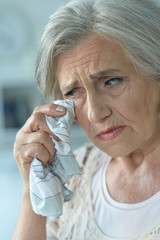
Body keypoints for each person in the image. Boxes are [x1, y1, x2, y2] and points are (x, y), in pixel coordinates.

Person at [12, 0, 160, 239]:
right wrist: (33, 191)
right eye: (73, 92)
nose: (94, 114)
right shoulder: (69, 177)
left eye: (111, 81)